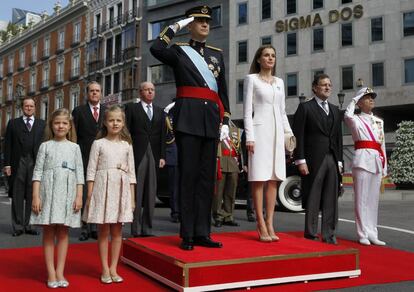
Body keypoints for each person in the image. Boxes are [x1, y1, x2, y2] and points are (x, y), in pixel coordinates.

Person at [150, 5, 231, 250]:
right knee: (188, 178)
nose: (205, 24)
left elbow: (223, 90)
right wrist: (177, 26)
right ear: (191, 25)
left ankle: (202, 232)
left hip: (209, 121)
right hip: (187, 119)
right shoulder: (179, 51)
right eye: (199, 21)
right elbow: (156, 48)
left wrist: (225, 119)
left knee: (207, 180)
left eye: (207, 21)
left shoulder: (217, 54)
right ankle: (187, 233)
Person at [243, 45, 294, 242]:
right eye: (266, 55)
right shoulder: (251, 79)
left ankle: (270, 221)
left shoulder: (280, 82)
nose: (270, 58)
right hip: (259, 131)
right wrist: (249, 136)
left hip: (277, 133)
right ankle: (260, 223)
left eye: (273, 55)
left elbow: (282, 112)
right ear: (258, 59)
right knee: (259, 178)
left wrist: (288, 134)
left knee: (274, 178)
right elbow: (247, 111)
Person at [30, 108, 84, 288]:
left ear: (70, 126)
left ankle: (60, 271)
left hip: (68, 193)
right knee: (48, 232)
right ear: (51, 125)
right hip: (48, 192)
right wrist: (36, 196)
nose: (60, 126)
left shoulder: (75, 148)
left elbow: (80, 175)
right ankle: (51, 273)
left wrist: (79, 196)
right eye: (57, 123)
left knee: (63, 233)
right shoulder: (45, 146)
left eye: (64, 123)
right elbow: (37, 172)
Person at [83, 105, 136, 284]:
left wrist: (132, 197)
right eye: (111, 120)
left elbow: (132, 174)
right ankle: (105, 269)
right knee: (103, 231)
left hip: (121, 190)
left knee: (118, 231)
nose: (115, 123)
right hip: (102, 189)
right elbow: (90, 171)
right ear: (105, 122)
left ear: (123, 123)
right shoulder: (98, 144)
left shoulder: (127, 145)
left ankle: (114, 267)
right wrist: (90, 195)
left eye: (118, 120)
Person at [293, 73, 343, 244]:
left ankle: (329, 234)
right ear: (315, 87)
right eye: (324, 85)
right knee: (313, 196)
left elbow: (338, 138)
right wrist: (300, 160)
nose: (328, 87)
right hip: (313, 159)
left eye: (329, 85)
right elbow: (298, 135)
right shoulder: (305, 108)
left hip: (332, 158)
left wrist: (340, 161)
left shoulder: (336, 110)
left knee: (331, 198)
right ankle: (311, 233)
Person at [344, 86, 387, 246]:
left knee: (372, 200)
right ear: (360, 102)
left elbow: (381, 145)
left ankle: (372, 232)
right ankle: (362, 233)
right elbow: (347, 115)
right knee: (361, 199)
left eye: (372, 97)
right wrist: (355, 99)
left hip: (376, 160)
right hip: (362, 160)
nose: (371, 99)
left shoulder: (379, 121)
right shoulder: (355, 118)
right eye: (367, 97)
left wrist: (384, 168)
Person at [125, 82, 166, 237]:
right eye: (147, 90)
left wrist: (162, 156)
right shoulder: (132, 109)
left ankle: (147, 228)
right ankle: (135, 229)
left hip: (154, 154)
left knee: (151, 193)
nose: (150, 92)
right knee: (136, 192)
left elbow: (163, 135)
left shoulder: (160, 111)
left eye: (152, 90)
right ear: (140, 92)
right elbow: (127, 132)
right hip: (137, 153)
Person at [3, 96, 46, 237]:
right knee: (17, 195)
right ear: (22, 108)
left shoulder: (42, 124)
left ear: (35, 107)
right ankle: (18, 226)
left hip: (35, 162)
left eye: (31, 106)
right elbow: (7, 145)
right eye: (26, 106)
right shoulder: (13, 123)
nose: (29, 108)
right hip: (18, 162)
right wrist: (7, 164)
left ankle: (30, 225)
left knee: (33, 194)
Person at [72, 81, 106, 241]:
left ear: (101, 93)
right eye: (91, 91)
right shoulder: (78, 111)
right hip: (84, 156)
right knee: (86, 193)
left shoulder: (107, 111)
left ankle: (96, 227)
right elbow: (74, 136)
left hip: (103, 159)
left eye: (97, 91)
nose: (94, 93)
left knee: (99, 193)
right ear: (87, 93)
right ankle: (85, 227)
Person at [212, 121, 241, 227]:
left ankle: (228, 215)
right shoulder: (217, 127)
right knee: (218, 193)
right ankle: (218, 215)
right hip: (221, 162)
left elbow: (238, 147)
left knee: (231, 192)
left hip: (233, 163)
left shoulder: (234, 129)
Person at [164, 102, 180, 223]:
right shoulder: (167, 120)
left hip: (185, 157)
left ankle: (183, 211)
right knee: (174, 187)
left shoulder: (185, 120)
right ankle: (175, 212)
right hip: (173, 156)